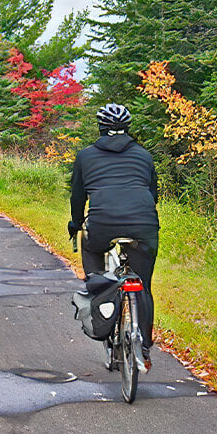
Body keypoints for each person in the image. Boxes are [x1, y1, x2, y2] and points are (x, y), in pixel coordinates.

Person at [68, 103, 159, 368]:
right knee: (143, 286)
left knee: (90, 246)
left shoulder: (85, 156)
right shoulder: (144, 155)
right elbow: (152, 195)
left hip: (102, 225)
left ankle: (99, 291)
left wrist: (76, 224)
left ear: (101, 128)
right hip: (143, 226)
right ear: (127, 129)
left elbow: (78, 196)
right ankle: (143, 347)